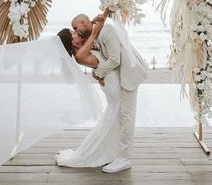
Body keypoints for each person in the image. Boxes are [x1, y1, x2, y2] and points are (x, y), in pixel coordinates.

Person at [56, 11, 148, 173]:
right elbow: (95, 39)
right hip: (113, 83)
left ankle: (120, 156)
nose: (76, 32)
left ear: (84, 24)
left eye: (75, 29)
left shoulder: (97, 36)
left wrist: (94, 21)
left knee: (120, 117)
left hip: (125, 77)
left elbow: (110, 56)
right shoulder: (81, 52)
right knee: (121, 116)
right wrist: (97, 73)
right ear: (71, 42)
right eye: (73, 32)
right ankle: (121, 156)